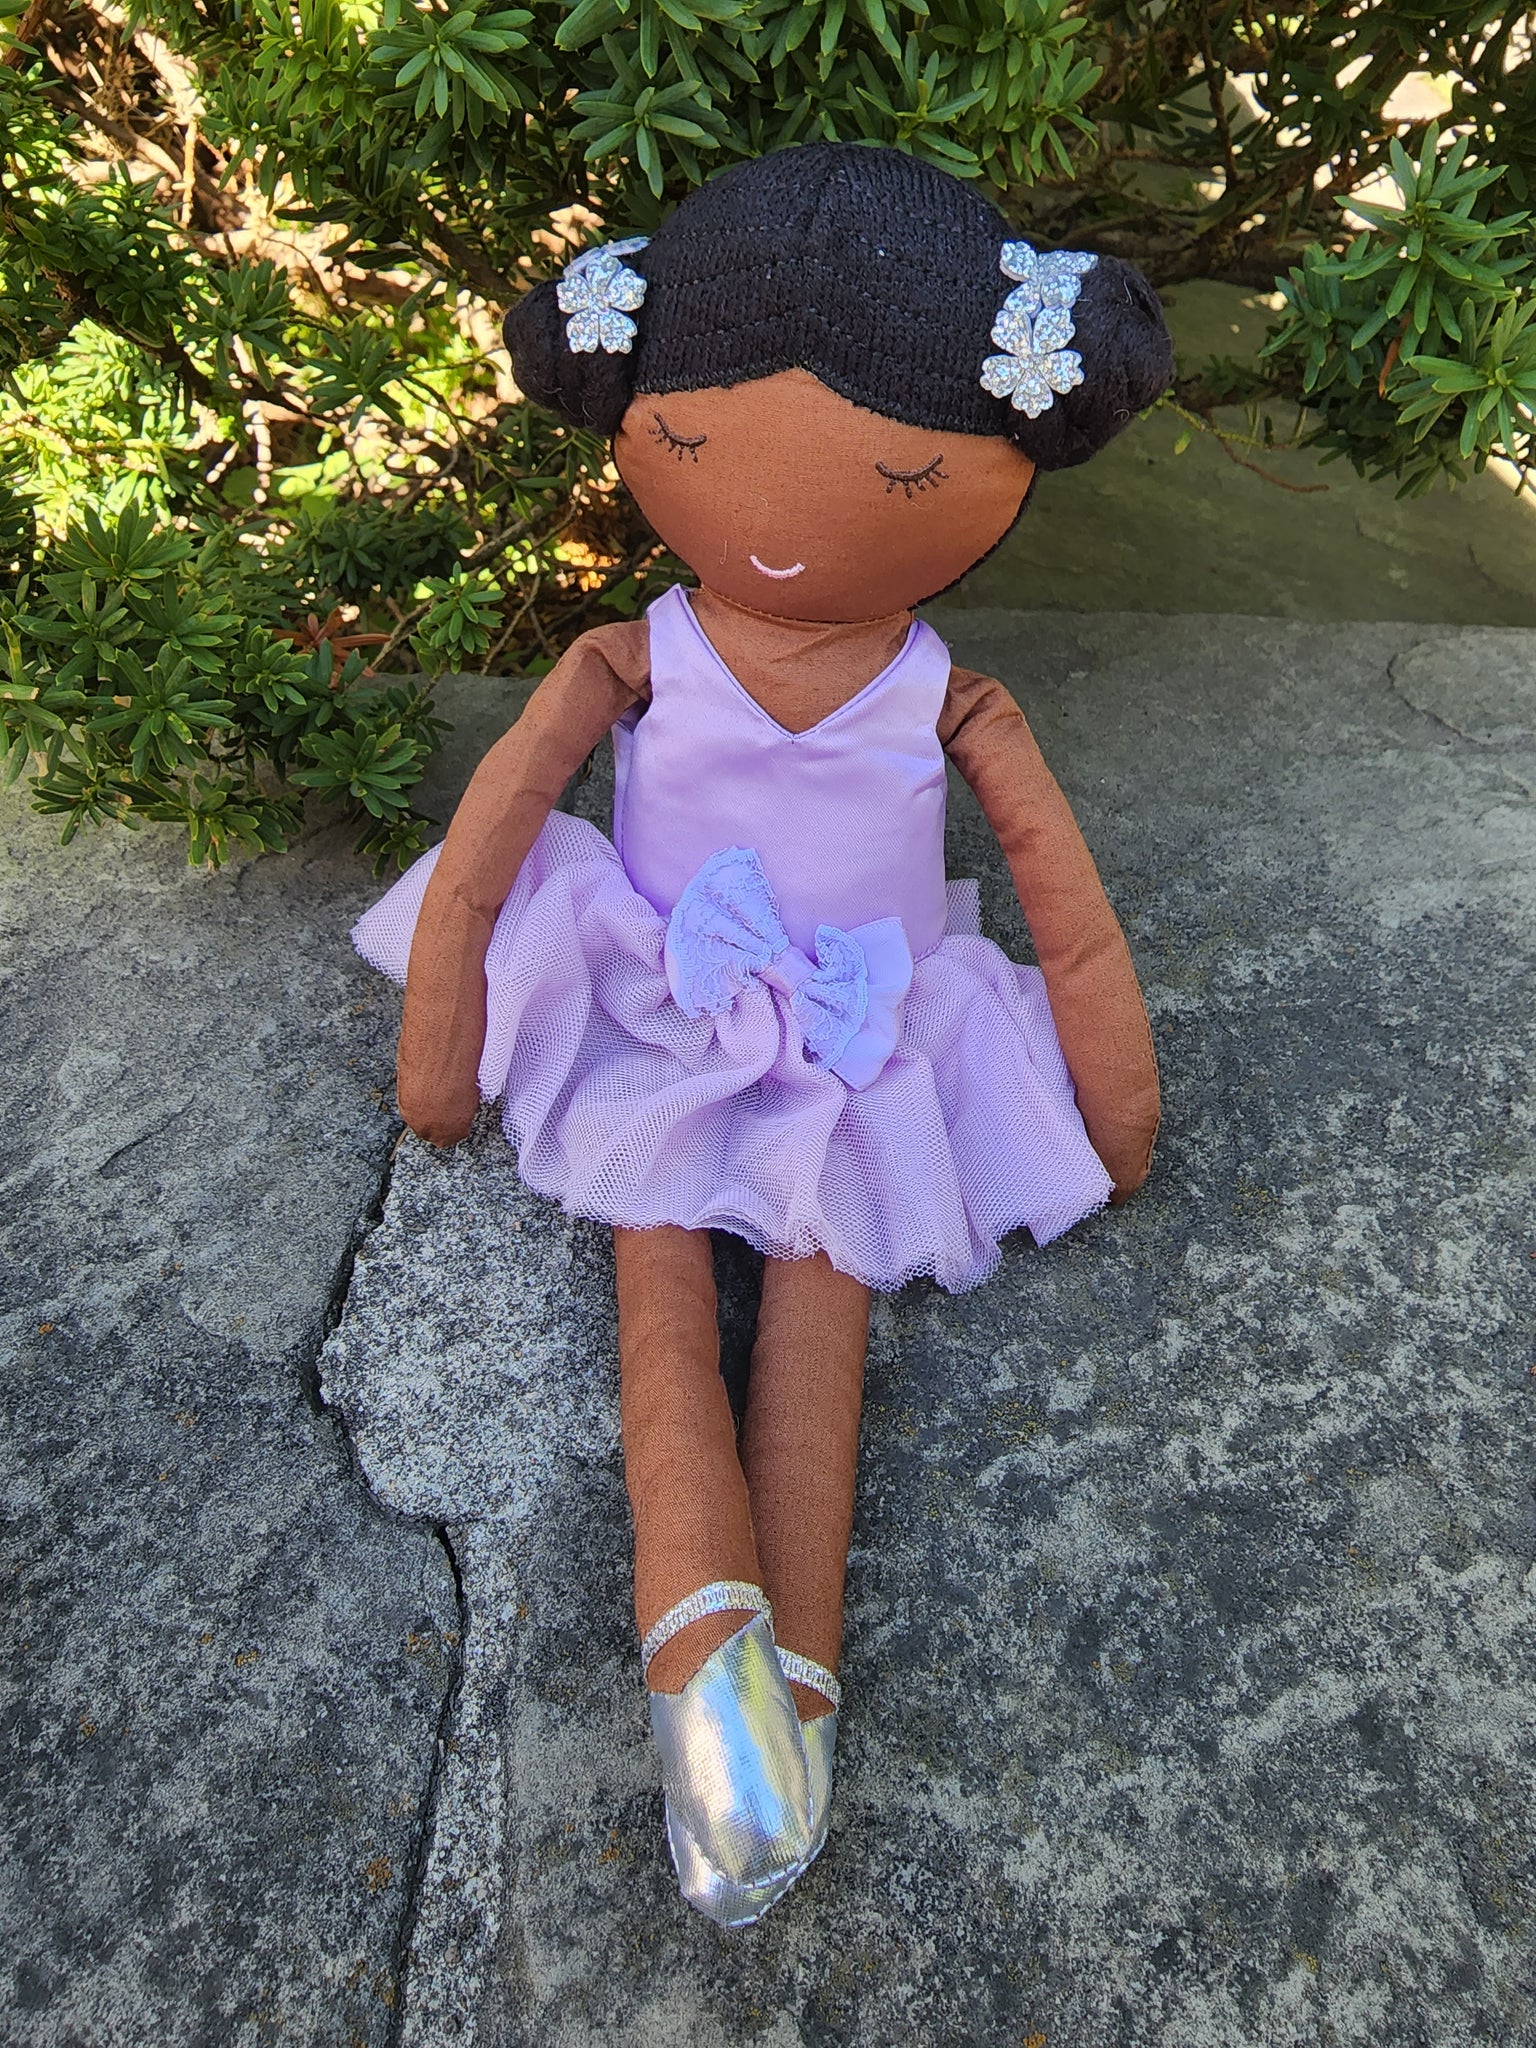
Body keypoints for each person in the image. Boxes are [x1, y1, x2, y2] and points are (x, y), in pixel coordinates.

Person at [352, 141, 1171, 1926]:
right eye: (695, 447)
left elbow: (1064, 902)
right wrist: (446, 1034)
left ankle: (785, 1681)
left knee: (825, 1271)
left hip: (868, 1010)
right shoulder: (634, 653)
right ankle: (702, 1627)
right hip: (663, 974)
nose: (784, 521)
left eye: (902, 478)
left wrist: (1105, 1100)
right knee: (656, 1245)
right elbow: (493, 840)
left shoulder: (948, 696)